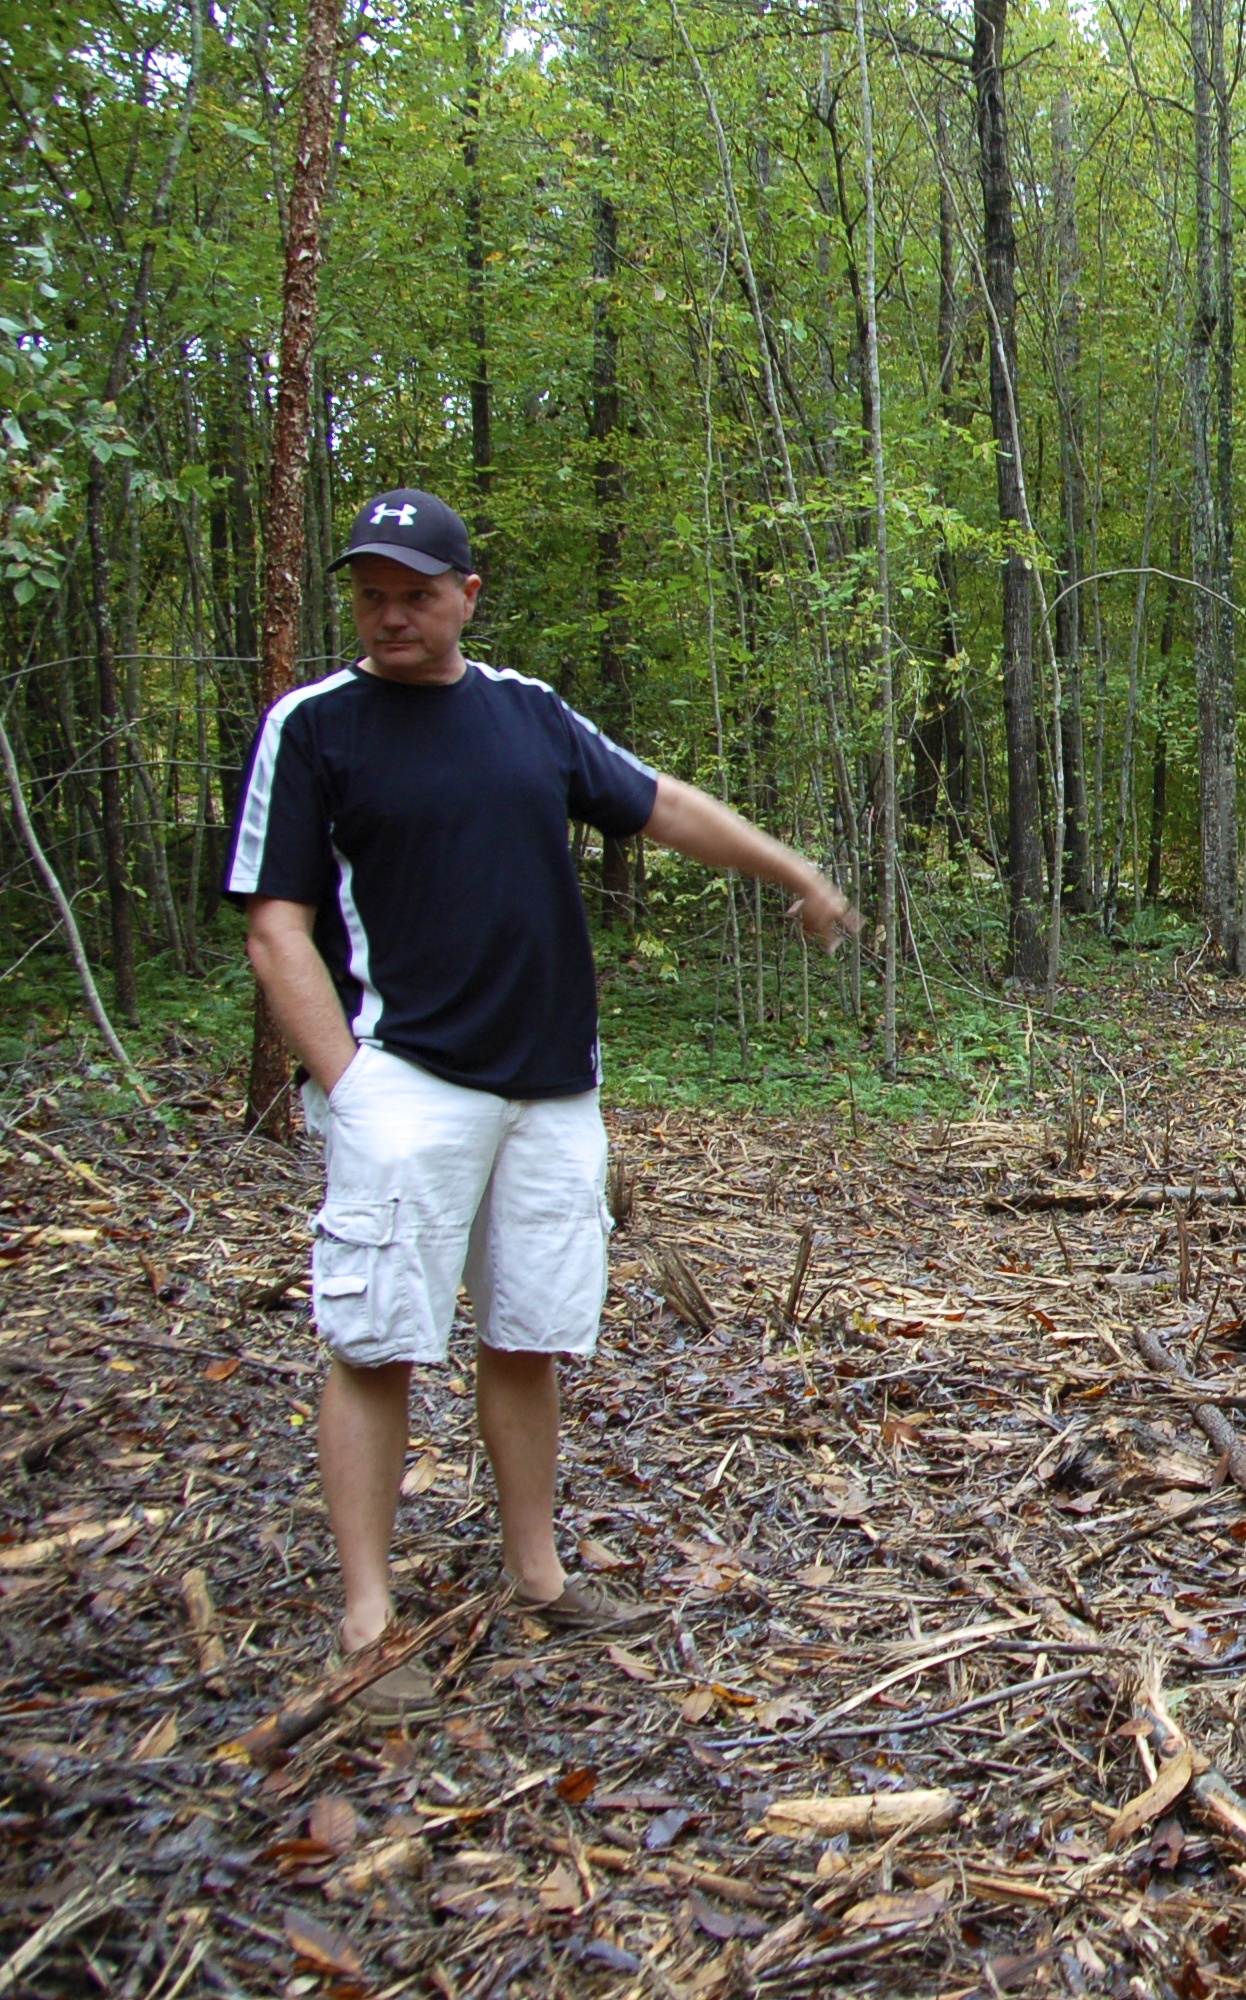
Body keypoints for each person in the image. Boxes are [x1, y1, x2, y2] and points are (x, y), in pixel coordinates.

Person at [230, 488, 862, 1716]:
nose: (391, 614)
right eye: (371, 594)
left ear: (466, 595)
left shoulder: (526, 712)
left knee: (529, 1332)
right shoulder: (315, 726)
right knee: (376, 1340)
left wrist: (788, 866)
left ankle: (538, 1573)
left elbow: (657, 800)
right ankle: (368, 1620)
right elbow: (276, 926)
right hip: (403, 1077)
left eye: (416, 593)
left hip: (551, 1085)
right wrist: (348, 1086)